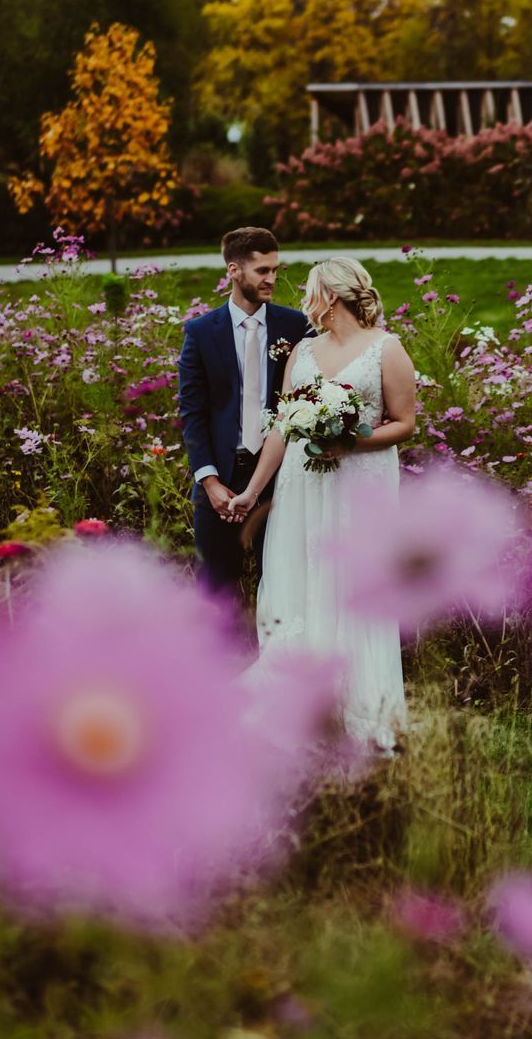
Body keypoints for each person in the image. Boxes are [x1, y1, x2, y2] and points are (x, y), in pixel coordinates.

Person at [227, 257, 417, 750]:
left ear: (331, 296)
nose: (304, 298)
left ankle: (360, 713)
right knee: (302, 584)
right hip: (303, 487)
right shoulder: (304, 352)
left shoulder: (386, 349)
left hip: (360, 485)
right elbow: (281, 430)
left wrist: (350, 441)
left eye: (310, 290)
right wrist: (252, 492)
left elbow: (404, 423)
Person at [176, 228, 309, 648]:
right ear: (234, 271)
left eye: (275, 269)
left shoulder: (296, 325)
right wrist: (210, 481)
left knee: (286, 579)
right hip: (219, 475)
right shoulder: (201, 332)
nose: (272, 278)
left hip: (281, 475)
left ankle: (279, 669)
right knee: (216, 587)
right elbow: (192, 413)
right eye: (262, 270)